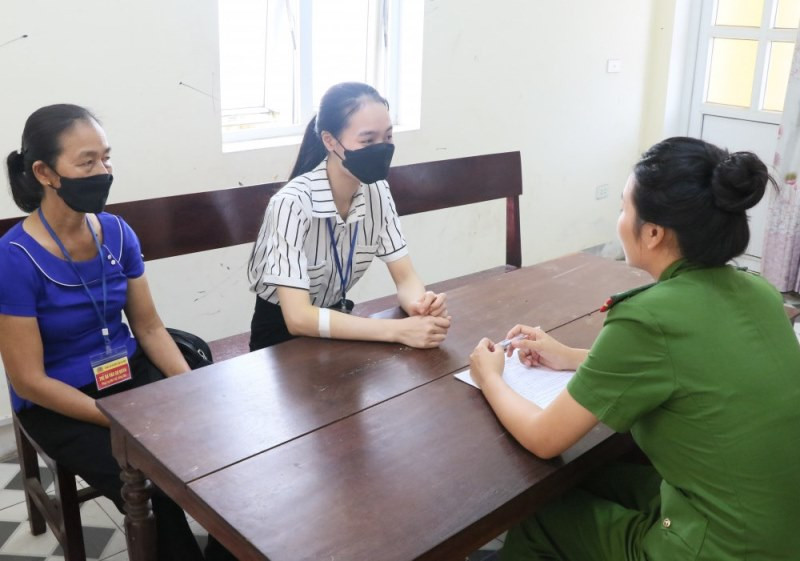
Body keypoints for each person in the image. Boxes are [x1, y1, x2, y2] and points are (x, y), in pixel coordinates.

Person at [469, 137, 800, 560]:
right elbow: (687, 367)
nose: (620, 219)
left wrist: (490, 377)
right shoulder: (760, 291)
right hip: (776, 529)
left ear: (654, 232)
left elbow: (543, 438)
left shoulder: (647, 317)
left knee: (538, 517)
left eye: (624, 208)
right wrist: (569, 357)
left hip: (722, 549)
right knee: (589, 480)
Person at [0, 104, 234, 561]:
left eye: (106, 158)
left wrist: (190, 390)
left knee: (222, 454)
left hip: (129, 376)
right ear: (45, 173)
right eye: (87, 162)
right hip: (62, 401)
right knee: (153, 488)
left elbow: (149, 327)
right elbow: (29, 381)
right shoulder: (13, 259)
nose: (103, 172)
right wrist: (123, 422)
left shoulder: (117, 233)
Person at [247, 82, 451, 350]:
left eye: (388, 137)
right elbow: (298, 318)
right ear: (330, 141)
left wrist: (420, 306)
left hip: (341, 328)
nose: (381, 148)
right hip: (281, 342)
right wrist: (398, 330)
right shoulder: (291, 203)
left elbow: (405, 277)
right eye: (367, 141)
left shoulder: (378, 191)